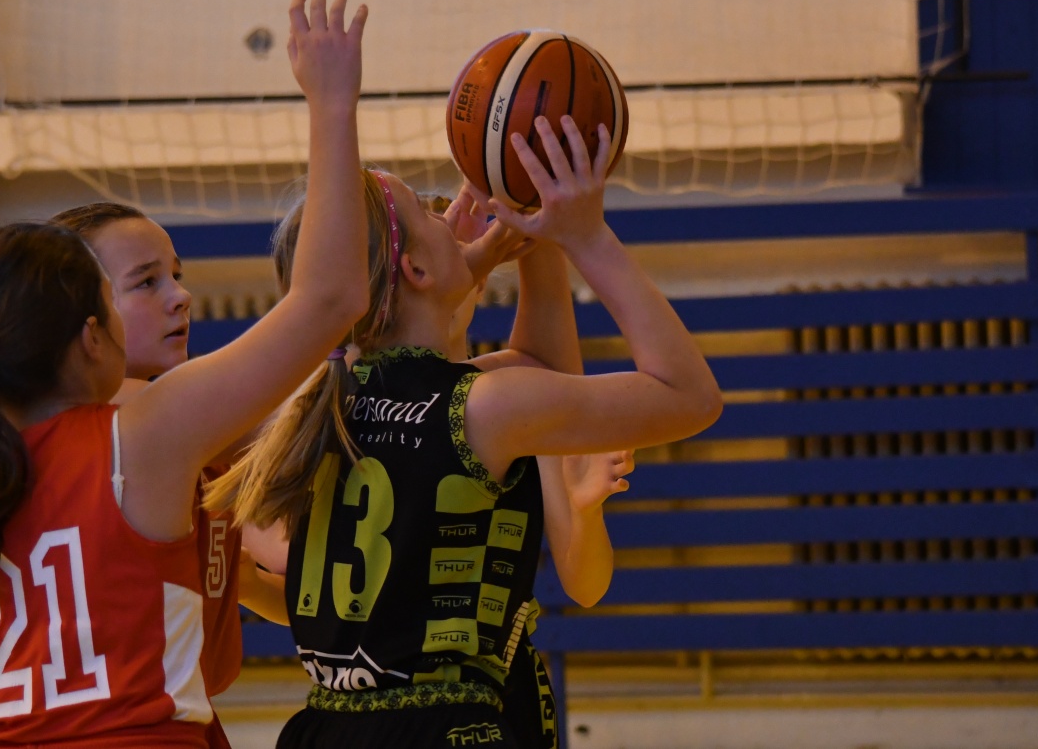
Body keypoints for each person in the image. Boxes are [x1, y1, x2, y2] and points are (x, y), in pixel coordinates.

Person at [0, 0, 370, 749]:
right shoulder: (144, 431)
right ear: (91, 336)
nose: (178, 298)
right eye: (136, 289)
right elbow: (330, 296)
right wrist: (331, 104)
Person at [209, 115, 721, 748]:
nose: (453, 218)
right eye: (430, 217)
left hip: (323, 730)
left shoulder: (318, 408)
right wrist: (584, 236)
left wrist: (525, 241)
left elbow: (537, 365)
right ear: (415, 269)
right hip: (442, 729)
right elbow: (690, 396)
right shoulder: (483, 407)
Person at [50, 200, 287, 749]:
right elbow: (306, 418)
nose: (180, 296)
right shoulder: (139, 417)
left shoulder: (194, 435)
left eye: (176, 275)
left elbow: (276, 561)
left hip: (182, 719)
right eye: (146, 282)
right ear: (79, 313)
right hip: (122, 729)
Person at [429, 189, 633, 749]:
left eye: (463, 251)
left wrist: (586, 511)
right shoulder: (368, 400)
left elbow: (586, 587)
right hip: (405, 692)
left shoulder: (518, 397)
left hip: (503, 687)